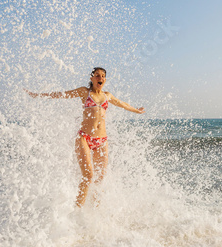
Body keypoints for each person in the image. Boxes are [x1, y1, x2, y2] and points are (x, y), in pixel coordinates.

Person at [24, 67, 145, 207]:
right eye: (97, 75)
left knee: (100, 178)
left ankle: (95, 211)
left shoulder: (107, 95)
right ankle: (78, 209)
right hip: (84, 138)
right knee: (88, 175)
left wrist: (137, 111)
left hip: (102, 140)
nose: (101, 78)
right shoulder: (84, 92)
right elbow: (62, 94)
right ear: (92, 78)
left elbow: (122, 104)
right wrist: (38, 95)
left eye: (103, 76)